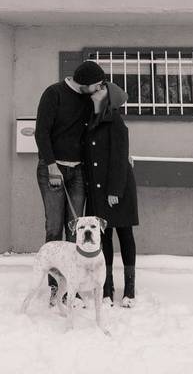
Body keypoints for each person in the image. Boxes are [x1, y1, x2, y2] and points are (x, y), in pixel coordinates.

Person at [34, 60, 106, 300]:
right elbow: (41, 132)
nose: (99, 88)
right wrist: (52, 165)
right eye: (96, 85)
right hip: (53, 169)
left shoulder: (89, 99)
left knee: (74, 228)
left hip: (78, 172)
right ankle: (55, 287)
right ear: (84, 83)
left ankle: (71, 288)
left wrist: (97, 104)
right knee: (54, 229)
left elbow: (96, 128)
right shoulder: (53, 93)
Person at [83, 80, 139, 307]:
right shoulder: (92, 120)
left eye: (102, 88)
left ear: (110, 97)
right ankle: (107, 289)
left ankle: (130, 291)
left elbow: (118, 157)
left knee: (124, 236)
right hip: (98, 191)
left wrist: (115, 190)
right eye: (96, 87)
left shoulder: (115, 120)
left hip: (118, 189)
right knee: (103, 238)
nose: (96, 90)